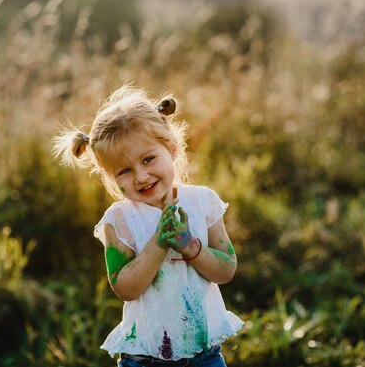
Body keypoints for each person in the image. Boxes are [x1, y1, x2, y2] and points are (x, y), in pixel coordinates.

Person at [53, 84, 243, 366]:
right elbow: (125, 288)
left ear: (172, 148)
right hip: (145, 359)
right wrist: (158, 243)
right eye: (124, 171)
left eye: (148, 159)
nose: (141, 176)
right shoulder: (119, 221)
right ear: (109, 177)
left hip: (205, 356)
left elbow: (226, 269)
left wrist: (190, 247)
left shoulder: (203, 203)